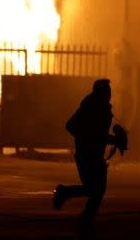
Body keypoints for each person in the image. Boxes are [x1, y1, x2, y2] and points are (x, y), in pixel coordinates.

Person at [53, 78, 125, 228]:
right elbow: (72, 126)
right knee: (95, 190)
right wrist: (94, 138)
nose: (109, 95)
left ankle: (78, 210)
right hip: (87, 155)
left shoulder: (101, 109)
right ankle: (81, 216)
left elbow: (97, 134)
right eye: (106, 91)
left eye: (109, 91)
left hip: (94, 155)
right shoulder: (90, 109)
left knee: (95, 189)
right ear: (99, 93)